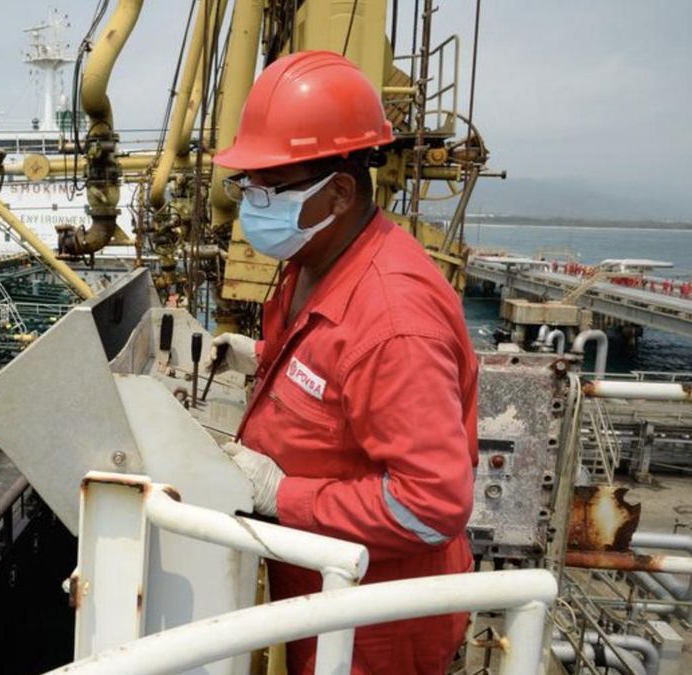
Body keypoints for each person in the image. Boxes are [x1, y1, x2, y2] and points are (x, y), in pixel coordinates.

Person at [211, 50, 479, 675]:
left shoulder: (393, 322)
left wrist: (281, 494)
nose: (252, 202)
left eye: (267, 188)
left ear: (337, 192)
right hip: (325, 592)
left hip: (375, 624)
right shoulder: (318, 258)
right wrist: (261, 361)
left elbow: (430, 506)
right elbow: (333, 376)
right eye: (245, 184)